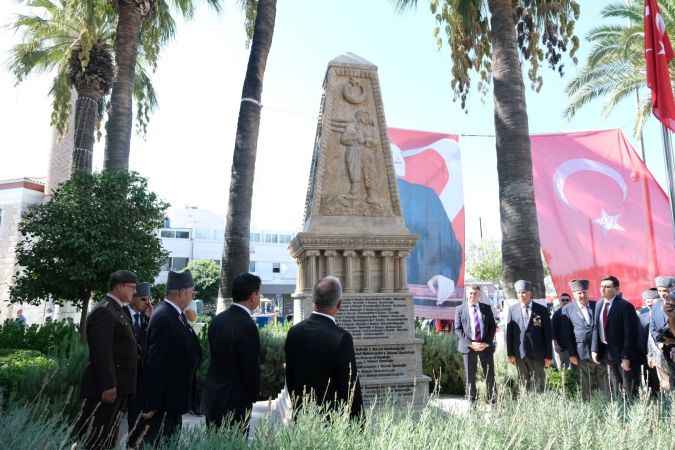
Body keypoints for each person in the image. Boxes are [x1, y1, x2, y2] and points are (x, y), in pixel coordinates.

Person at [74, 271, 138, 450]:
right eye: (132, 288)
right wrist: (108, 385)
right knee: (98, 438)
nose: (135, 292)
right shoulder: (105, 310)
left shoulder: (117, 309)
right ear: (119, 286)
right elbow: (102, 352)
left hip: (118, 386)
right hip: (105, 389)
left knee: (109, 437)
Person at [285, 276, 363, 418]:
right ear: (339, 304)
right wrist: (359, 426)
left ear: (314, 301)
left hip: (302, 417)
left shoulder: (294, 332)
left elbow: (290, 379)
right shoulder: (341, 338)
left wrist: (298, 410)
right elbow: (350, 388)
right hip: (331, 422)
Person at [140, 270, 202, 447]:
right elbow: (155, 362)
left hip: (173, 399)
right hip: (163, 403)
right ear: (181, 292)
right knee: (162, 442)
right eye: (191, 291)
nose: (193, 295)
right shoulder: (164, 316)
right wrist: (151, 403)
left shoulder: (176, 314)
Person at [203, 273, 261, 431]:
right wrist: (253, 394)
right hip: (236, 401)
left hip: (213, 396)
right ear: (252, 296)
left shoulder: (217, 320)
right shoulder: (247, 325)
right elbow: (250, 367)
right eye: (259, 293)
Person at [591, 275, 640, 399]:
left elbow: (630, 334)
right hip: (607, 352)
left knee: (629, 388)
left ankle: (633, 411)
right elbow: (596, 327)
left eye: (607, 287)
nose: (602, 289)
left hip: (622, 353)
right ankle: (619, 411)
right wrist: (594, 349)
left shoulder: (625, 306)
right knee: (615, 387)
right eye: (601, 286)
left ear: (616, 289)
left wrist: (626, 357)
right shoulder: (599, 304)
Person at [506, 280, 552, 392]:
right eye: (519, 293)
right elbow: (509, 334)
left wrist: (549, 356)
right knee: (523, 384)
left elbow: (548, 334)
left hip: (538, 354)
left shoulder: (541, 310)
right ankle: (525, 406)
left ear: (530, 293)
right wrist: (510, 354)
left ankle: (539, 407)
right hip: (520, 354)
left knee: (539, 384)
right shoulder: (512, 310)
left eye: (524, 292)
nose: (522, 295)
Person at [560, 279, 603, 401]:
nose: (582, 295)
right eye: (579, 293)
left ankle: (603, 404)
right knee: (585, 383)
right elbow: (567, 334)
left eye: (584, 292)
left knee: (601, 380)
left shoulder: (596, 305)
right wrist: (572, 354)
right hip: (580, 353)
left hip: (598, 351)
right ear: (573, 294)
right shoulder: (568, 309)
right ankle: (589, 407)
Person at [454, 285, 497, 404]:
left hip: (485, 347)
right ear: (467, 294)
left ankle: (493, 402)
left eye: (476, 293)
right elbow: (457, 329)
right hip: (468, 347)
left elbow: (492, 327)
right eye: (471, 293)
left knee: (490, 375)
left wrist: (486, 343)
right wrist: (470, 344)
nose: (473, 296)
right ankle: (471, 402)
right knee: (470, 376)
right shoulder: (459, 309)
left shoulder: (486, 308)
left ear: (479, 295)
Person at [126, 282, 152, 442]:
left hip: (139, 381)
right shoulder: (122, 314)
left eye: (150, 299)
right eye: (144, 299)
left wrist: (150, 320)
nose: (148, 303)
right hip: (124, 377)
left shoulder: (145, 318)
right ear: (133, 298)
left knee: (136, 426)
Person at [650, 276, 674, 391]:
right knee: (668, 381)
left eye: (664, 290)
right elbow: (653, 328)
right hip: (664, 350)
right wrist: (661, 340)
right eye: (659, 290)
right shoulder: (656, 306)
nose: (661, 293)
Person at [638, 288, 660, 398]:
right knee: (651, 381)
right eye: (647, 300)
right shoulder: (641, 316)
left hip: (662, 354)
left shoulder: (665, 312)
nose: (649, 302)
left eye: (652, 300)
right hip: (646, 355)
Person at [551, 293, 571, 369]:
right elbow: (553, 332)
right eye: (563, 300)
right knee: (563, 369)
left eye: (567, 300)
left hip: (574, 348)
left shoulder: (575, 312)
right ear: (560, 301)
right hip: (562, 348)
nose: (565, 301)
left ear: (570, 301)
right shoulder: (556, 314)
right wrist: (556, 345)